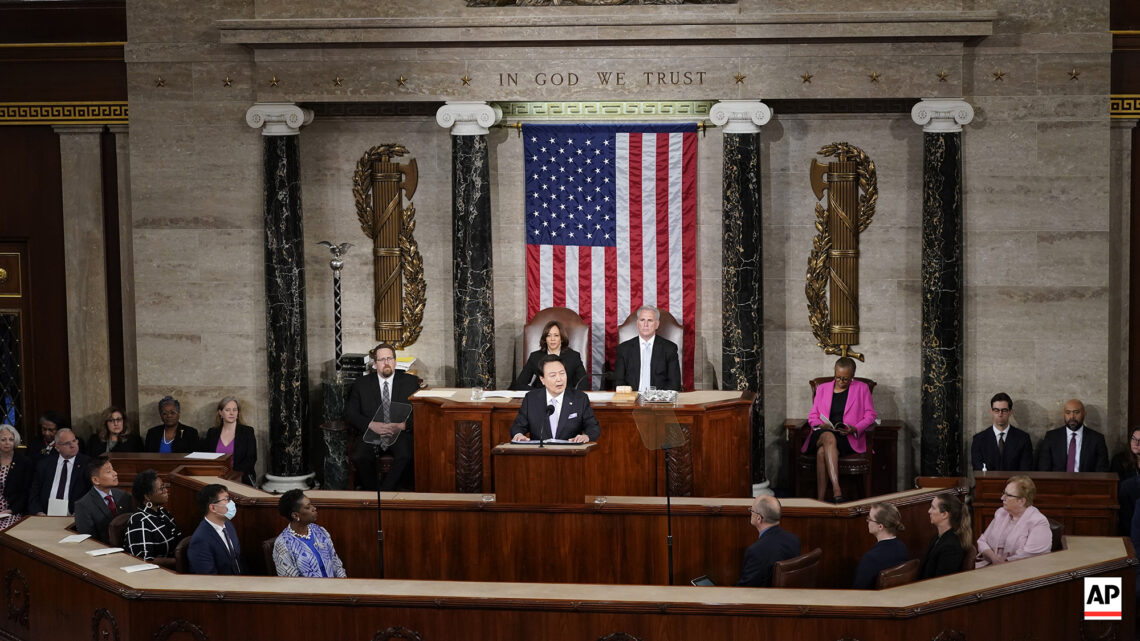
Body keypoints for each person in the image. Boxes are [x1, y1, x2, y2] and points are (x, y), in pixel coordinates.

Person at [802, 357, 877, 503]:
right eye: (838, 377)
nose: (841, 381)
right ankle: (837, 491)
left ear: (852, 376)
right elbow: (812, 416)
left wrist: (855, 428)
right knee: (828, 436)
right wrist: (820, 425)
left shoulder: (862, 388)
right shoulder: (822, 389)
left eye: (845, 379)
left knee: (822, 452)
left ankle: (820, 501)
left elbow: (871, 415)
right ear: (834, 373)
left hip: (845, 437)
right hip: (821, 433)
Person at [346, 343, 419, 491]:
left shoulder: (410, 382)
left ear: (395, 361)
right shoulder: (361, 384)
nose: (387, 363)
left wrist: (402, 426)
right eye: (382, 359)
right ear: (375, 364)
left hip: (398, 432)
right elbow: (350, 413)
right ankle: (374, 492)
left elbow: (420, 412)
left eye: (390, 358)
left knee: (406, 456)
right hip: (372, 431)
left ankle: (385, 493)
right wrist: (371, 425)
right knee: (359, 457)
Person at [511, 355, 601, 444]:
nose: (559, 379)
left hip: (570, 454)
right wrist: (518, 435)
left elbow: (593, 427)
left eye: (562, 373)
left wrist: (586, 436)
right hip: (540, 454)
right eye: (553, 375)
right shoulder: (531, 399)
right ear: (542, 379)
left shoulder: (580, 398)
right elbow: (518, 426)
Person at [975, 475, 1052, 567]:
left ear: (1022, 501)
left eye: (1008, 495)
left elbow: (1028, 555)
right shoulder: (1001, 513)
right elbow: (982, 541)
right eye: (1004, 493)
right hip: (991, 565)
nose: (1002, 498)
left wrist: (1002, 564)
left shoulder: (1038, 521)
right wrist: (994, 558)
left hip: (1021, 572)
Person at [271, 489, 347, 578]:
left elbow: (336, 565)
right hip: (309, 591)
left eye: (311, 504)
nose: (314, 508)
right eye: (308, 507)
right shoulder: (282, 545)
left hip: (334, 588)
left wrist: (343, 585)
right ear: (295, 515)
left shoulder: (320, 531)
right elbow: (291, 584)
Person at [612, 305, 681, 392]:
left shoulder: (670, 349)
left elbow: (674, 383)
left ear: (657, 324)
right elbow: (618, 382)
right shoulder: (623, 349)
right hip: (631, 401)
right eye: (642, 320)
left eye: (650, 320)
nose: (645, 324)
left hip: (659, 401)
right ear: (637, 324)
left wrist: (657, 399)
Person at [736, 495, 800, 587]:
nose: (750, 512)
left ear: (759, 518)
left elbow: (744, 588)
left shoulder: (756, 551)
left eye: (751, 510)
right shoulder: (794, 540)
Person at [124, 469, 182, 568]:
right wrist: (178, 561)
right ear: (147, 496)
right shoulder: (139, 521)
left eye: (164, 487)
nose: (166, 491)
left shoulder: (163, 511)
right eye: (161, 488)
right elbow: (144, 560)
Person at [27, 428, 90, 516]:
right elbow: (34, 493)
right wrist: (38, 512)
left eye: (74, 441)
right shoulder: (44, 465)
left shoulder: (88, 464)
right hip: (46, 517)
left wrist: (80, 513)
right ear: (57, 447)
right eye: (67, 443)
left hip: (75, 516)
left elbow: (92, 493)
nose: (72, 445)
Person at [511, 320, 589, 391]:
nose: (552, 339)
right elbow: (519, 384)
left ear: (561, 338)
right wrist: (537, 393)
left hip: (566, 399)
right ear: (545, 339)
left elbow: (584, 384)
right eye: (548, 335)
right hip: (541, 399)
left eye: (556, 335)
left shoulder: (573, 356)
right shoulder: (535, 356)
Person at [1036, 399, 1109, 472]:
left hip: (1086, 482)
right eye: (1068, 413)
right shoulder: (1051, 437)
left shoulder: (1097, 439)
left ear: (1084, 413)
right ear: (1064, 414)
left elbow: (1102, 470)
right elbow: (1044, 469)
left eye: (1076, 412)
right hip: (1058, 482)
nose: (1072, 417)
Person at [73, 456, 134, 543]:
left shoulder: (124, 496)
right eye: (109, 472)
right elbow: (89, 541)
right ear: (95, 480)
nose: (115, 473)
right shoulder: (83, 505)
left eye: (113, 469)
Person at [187, 483, 243, 575]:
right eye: (226, 499)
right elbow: (209, 578)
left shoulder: (228, 525)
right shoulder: (200, 540)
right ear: (213, 508)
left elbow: (238, 561)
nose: (231, 503)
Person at [201, 397, 257, 486]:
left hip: (240, 479)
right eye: (227, 410)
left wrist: (233, 475)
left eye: (235, 410)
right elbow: (207, 456)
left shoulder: (247, 432)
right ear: (220, 413)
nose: (232, 413)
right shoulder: (212, 432)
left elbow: (251, 459)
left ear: (238, 413)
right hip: (216, 478)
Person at [853, 502, 909, 589]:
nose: (867, 521)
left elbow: (858, 592)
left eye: (869, 518)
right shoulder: (902, 547)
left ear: (880, 526)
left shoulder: (870, 558)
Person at [970, 393, 1032, 472]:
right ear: (991, 411)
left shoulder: (1023, 438)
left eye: (1004, 410)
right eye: (996, 410)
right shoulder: (978, 440)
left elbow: (1025, 470)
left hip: (1015, 483)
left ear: (1010, 412)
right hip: (987, 484)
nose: (1000, 414)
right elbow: (978, 470)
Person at [918, 494, 971, 579]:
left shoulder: (951, 547)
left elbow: (942, 583)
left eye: (933, 508)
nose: (929, 511)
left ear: (944, 514)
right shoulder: (937, 538)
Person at [0, 424, 33, 530]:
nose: (7, 443)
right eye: (3, 439)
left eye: (11, 439)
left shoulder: (24, 462)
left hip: (11, 511)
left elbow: (26, 492)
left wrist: (12, 510)